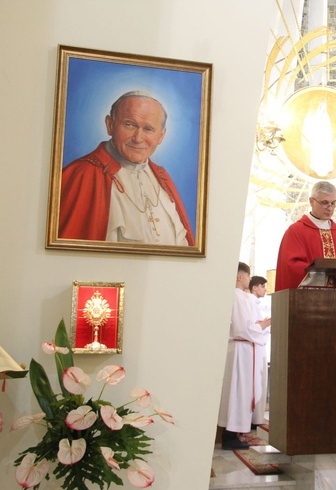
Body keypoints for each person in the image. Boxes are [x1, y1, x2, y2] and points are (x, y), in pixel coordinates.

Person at [58, 90, 194, 245]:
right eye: (129, 124)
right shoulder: (81, 174)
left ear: (161, 136)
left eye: (148, 129)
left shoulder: (161, 177)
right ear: (110, 125)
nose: (138, 138)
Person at [217, 263, 272, 450]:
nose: (250, 279)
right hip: (241, 350)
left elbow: (249, 324)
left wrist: (259, 326)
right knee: (238, 392)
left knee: (242, 392)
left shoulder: (242, 297)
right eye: (248, 276)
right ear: (240, 277)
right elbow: (243, 327)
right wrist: (262, 327)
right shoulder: (236, 296)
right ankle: (230, 434)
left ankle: (235, 432)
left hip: (245, 349)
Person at [274, 181, 336, 291]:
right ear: (311, 201)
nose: (330, 208)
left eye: (333, 203)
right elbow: (291, 267)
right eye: (324, 203)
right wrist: (322, 276)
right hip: (308, 300)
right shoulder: (296, 231)